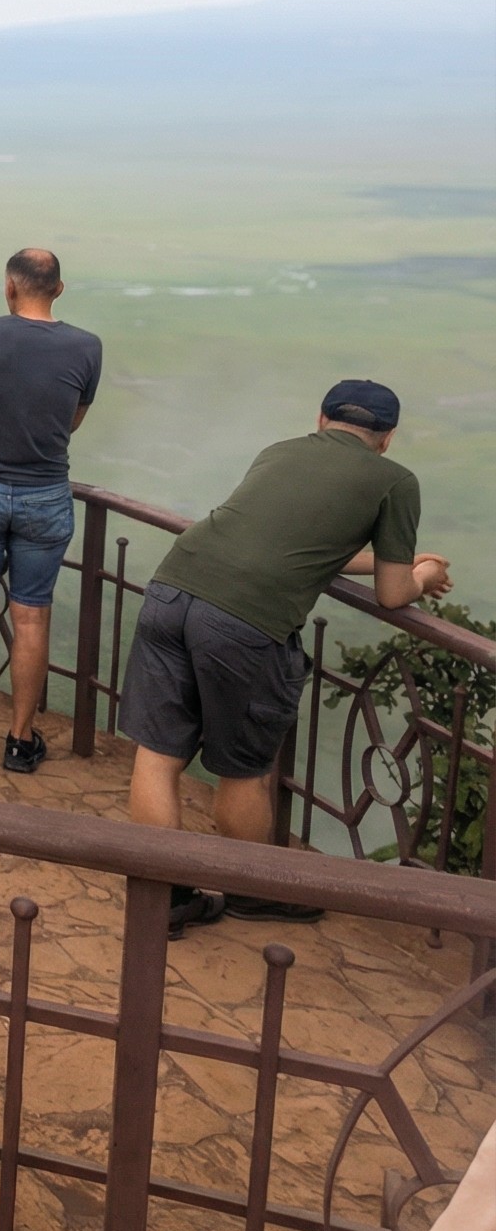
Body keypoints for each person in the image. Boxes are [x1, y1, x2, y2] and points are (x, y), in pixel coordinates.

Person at [122, 380, 453, 936]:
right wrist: (422, 573)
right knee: (244, 772)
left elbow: (291, 540)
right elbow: (395, 596)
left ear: (321, 419)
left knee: (157, 755)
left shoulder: (279, 451)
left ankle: (165, 899)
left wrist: (383, 561)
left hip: (171, 589)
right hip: (244, 623)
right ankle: (253, 893)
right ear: (387, 438)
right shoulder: (395, 480)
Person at [0, 248, 103, 775]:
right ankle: (20, 737)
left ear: (9, 288)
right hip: (45, 494)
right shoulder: (87, 346)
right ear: (59, 289)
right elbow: (73, 420)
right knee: (31, 617)